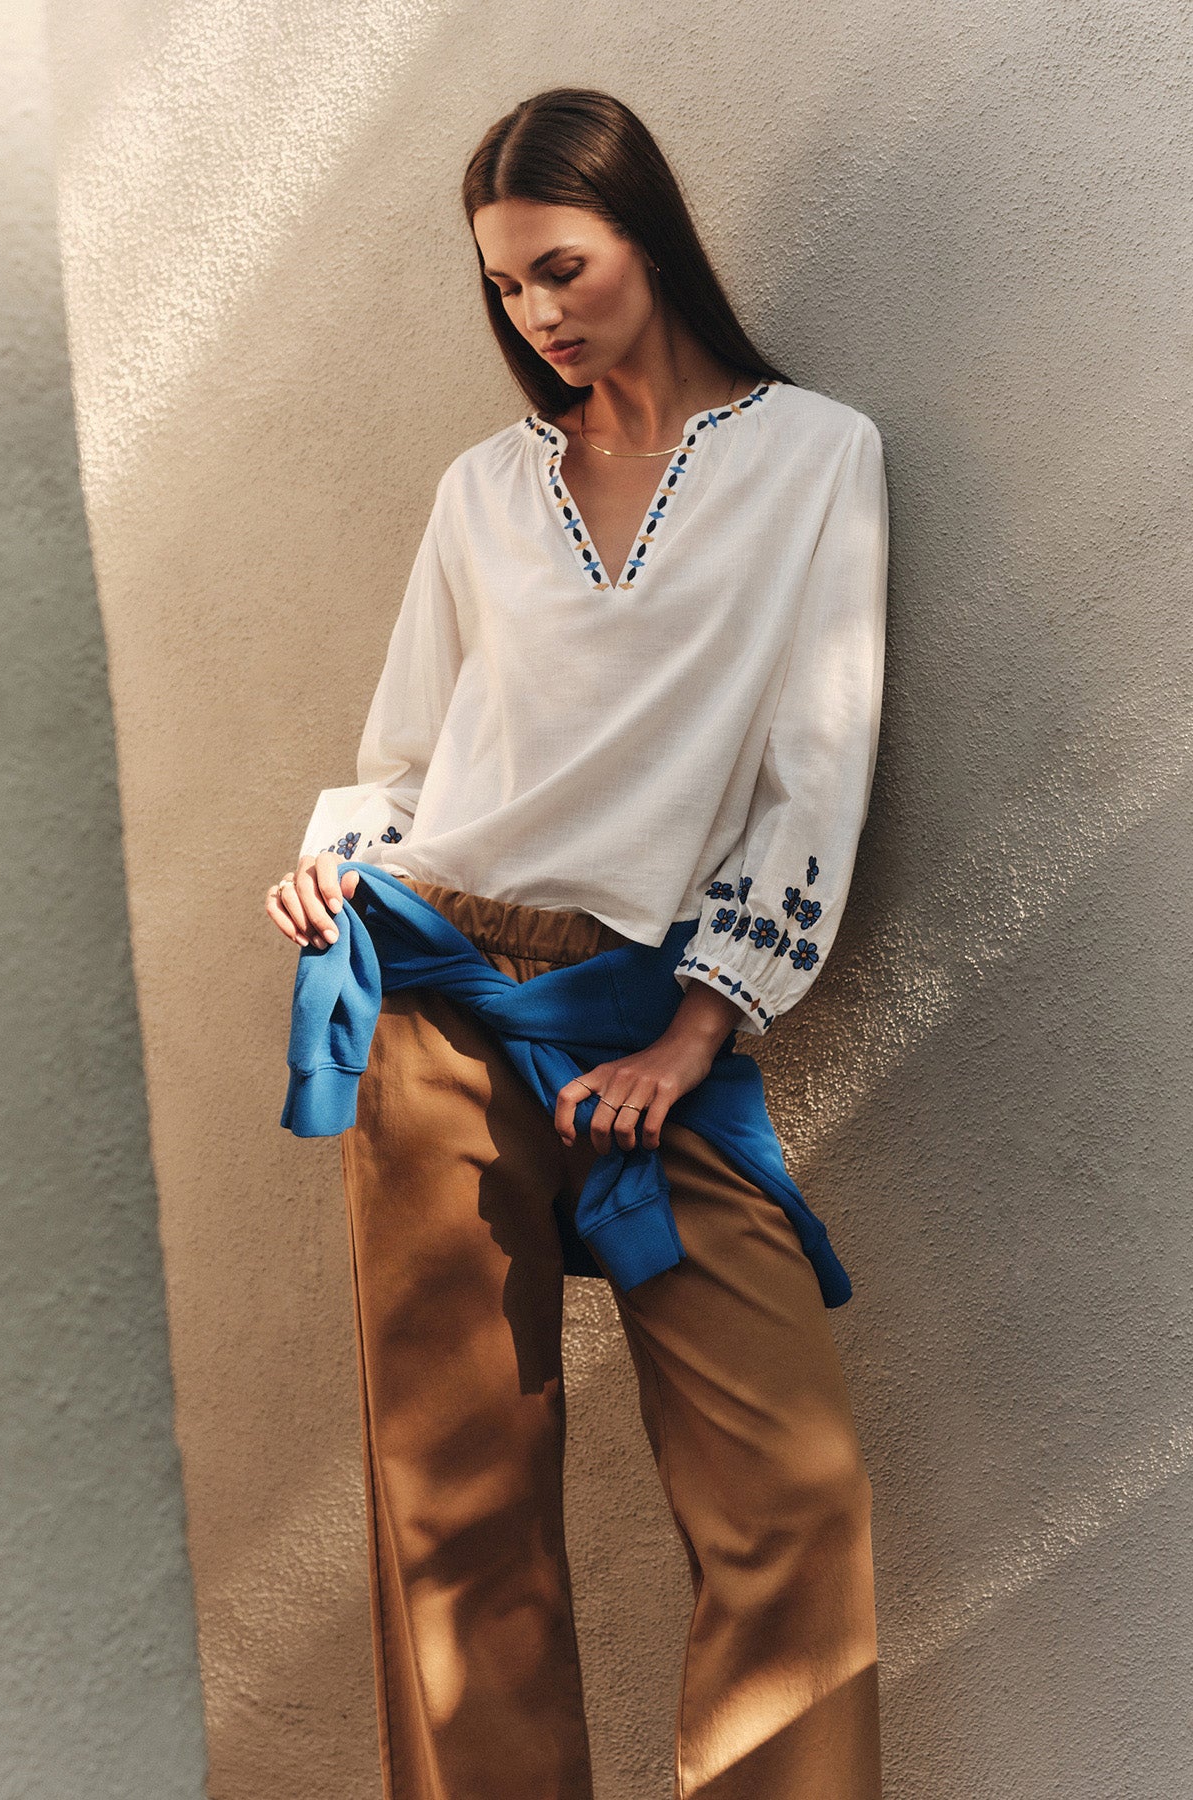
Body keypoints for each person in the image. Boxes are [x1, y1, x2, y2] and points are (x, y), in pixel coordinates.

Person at [265, 86, 888, 1800]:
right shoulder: (483, 491)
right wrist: (335, 867)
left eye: (563, 266)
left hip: (643, 1017)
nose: (538, 313)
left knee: (794, 1501)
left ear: (649, 242)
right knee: (459, 1517)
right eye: (508, 288)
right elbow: (408, 759)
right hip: (433, 1001)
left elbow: (809, 773)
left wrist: (699, 1032)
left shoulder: (817, 458)